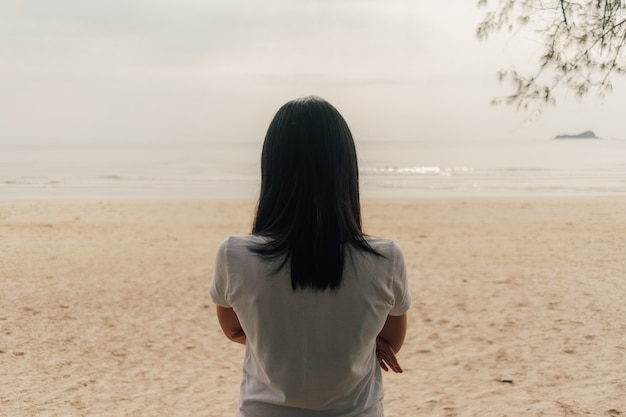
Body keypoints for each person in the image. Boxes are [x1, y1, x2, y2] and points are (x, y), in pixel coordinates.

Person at [209, 96, 411, 417]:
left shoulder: (234, 255)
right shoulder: (384, 258)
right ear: (345, 171)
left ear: (272, 169)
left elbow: (235, 329)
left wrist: (276, 335)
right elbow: (390, 341)